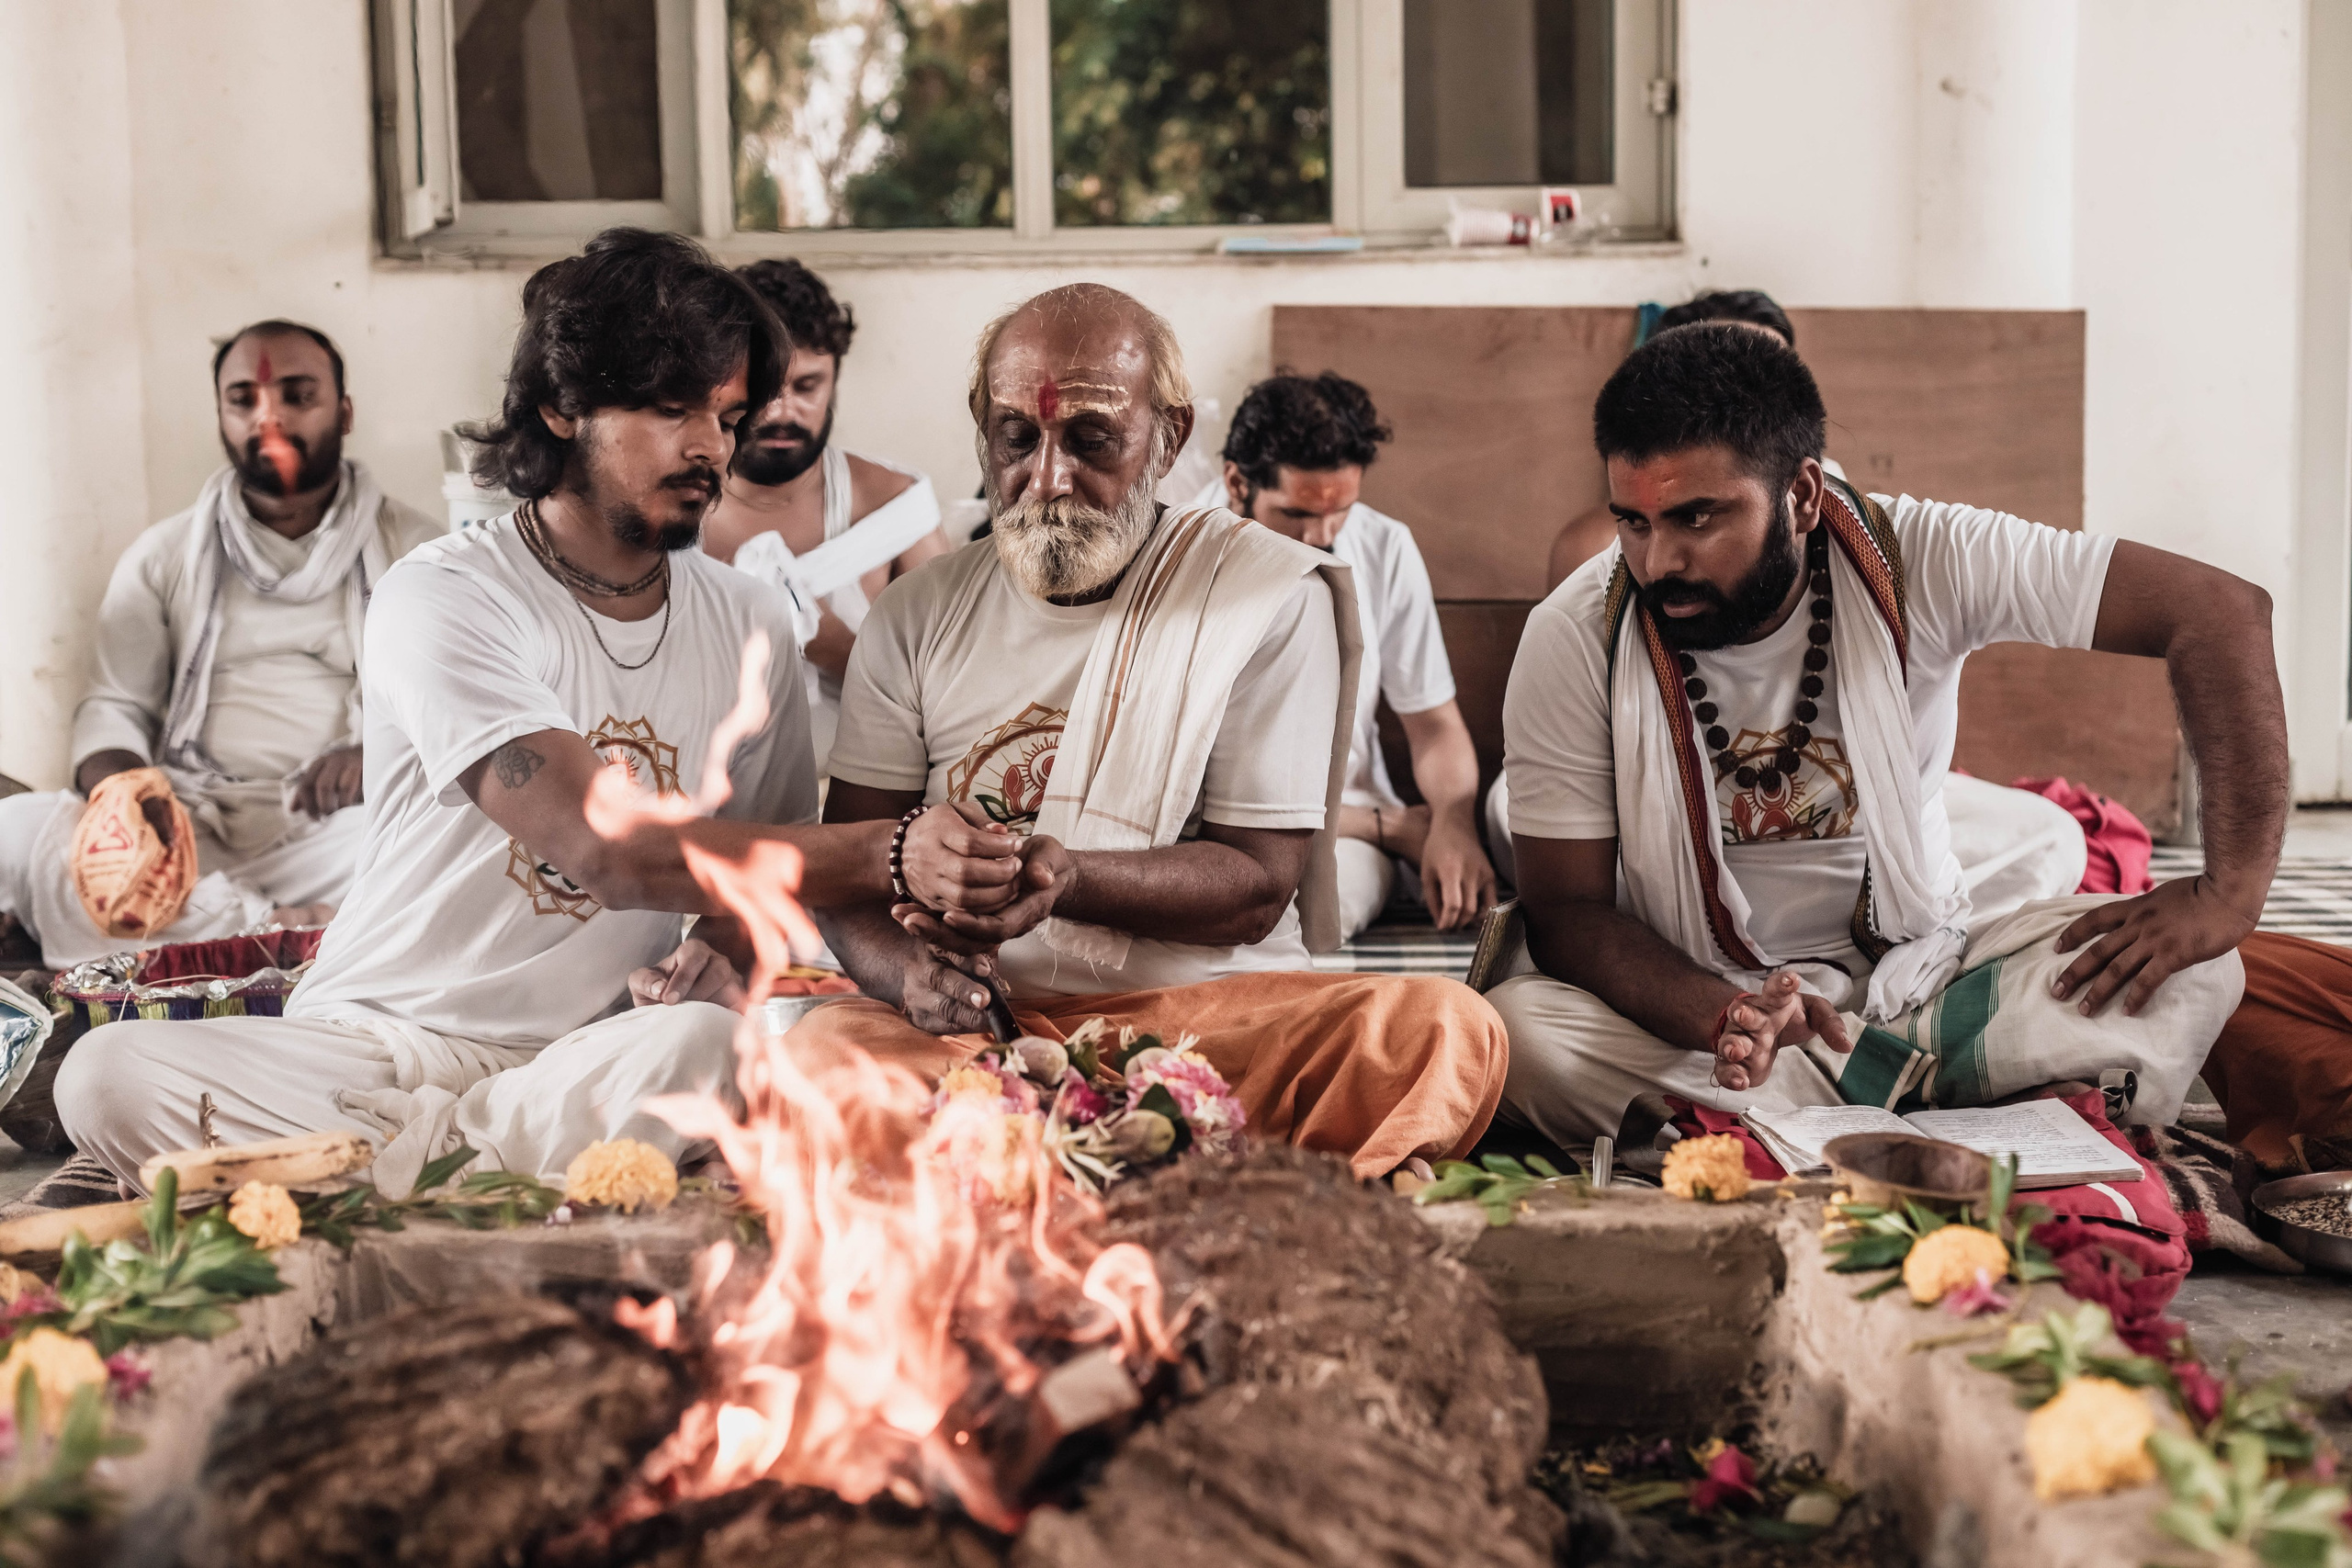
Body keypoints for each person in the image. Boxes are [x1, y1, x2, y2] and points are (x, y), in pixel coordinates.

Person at [55, 230, 1019, 1196]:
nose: (709, 449)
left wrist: (722, 957)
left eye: (724, 416)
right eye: (670, 409)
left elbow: (764, 873)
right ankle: (474, 1171)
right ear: (560, 406)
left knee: (704, 1045)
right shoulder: (444, 594)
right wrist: (892, 849)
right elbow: (605, 851)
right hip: (370, 1047)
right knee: (103, 1078)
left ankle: (374, 1178)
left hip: (576, 1060)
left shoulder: (753, 622)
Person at [1492, 322, 2277, 1150]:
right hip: (1707, 1010)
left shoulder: (1924, 555)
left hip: (1924, 980)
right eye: (1635, 523)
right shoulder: (1578, 632)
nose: (1658, 562)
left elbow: (2220, 614)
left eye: (1695, 518)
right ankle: (1958, 1108)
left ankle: (1798, 1116)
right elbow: (1568, 911)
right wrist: (1728, 1017)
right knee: (1519, 1033)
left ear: (1800, 495)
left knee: (2198, 971)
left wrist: (2230, 894)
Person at [788, 283, 1509, 1179]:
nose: (1048, 478)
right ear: (984, 430)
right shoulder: (915, 614)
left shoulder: (1264, 600)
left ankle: (1017, 1175)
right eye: (1017, 436)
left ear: (1168, 438)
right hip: (993, 1030)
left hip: (1212, 1022)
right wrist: (912, 979)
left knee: (1443, 1030)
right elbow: (847, 867)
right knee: (820, 1058)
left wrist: (1069, 878)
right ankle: (1185, 1173)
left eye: (1091, 438)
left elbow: (1256, 886)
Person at [1492, 290, 2088, 920]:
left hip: (1840, 813)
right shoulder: (1599, 574)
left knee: (2051, 835)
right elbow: (1566, 905)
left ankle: (1885, 940)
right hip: (1655, 810)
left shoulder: (1860, 534)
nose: (1660, 559)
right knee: (1523, 824)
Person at [0, 321, 444, 970]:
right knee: (18, 827)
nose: (270, 417)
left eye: (297, 395)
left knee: (458, 834)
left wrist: (379, 749)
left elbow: (453, 710)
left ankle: (221, 942)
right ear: (220, 419)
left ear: (344, 413)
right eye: (244, 400)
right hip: (188, 830)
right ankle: (286, 934)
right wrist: (128, 796)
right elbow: (113, 706)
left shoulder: (419, 551)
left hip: (344, 832)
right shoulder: (164, 555)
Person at [1195, 371, 1495, 936]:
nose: (1322, 538)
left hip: (1338, 838)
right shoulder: (1179, 555)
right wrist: (1391, 826)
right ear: (1237, 482)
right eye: (1297, 515)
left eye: (1341, 511)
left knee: (1308, 917)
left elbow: (1434, 726)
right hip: (1212, 831)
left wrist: (1454, 825)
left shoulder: (1384, 546)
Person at [701, 259, 951, 774]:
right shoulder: (670, 507)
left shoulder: (893, 507)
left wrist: (825, 638)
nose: (780, 412)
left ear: (834, 380)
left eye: (807, 386)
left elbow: (950, 698)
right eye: (762, 389)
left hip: (856, 802)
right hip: (702, 805)